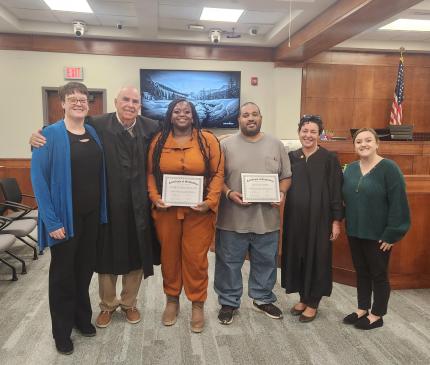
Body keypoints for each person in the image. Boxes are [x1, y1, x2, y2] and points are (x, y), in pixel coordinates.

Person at [30, 86, 160, 328]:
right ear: (116, 101)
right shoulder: (98, 124)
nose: (130, 105)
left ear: (140, 105)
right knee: (106, 255)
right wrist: (36, 136)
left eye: (135, 101)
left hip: (138, 205)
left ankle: (129, 303)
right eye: (125, 100)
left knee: (136, 254)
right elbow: (64, 128)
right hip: (107, 204)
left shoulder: (151, 127)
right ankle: (108, 305)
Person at [31, 82, 108, 355]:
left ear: (88, 104)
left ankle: (80, 318)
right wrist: (52, 223)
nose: (78, 102)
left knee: (84, 270)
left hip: (91, 218)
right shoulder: (47, 136)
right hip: (64, 219)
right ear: (61, 103)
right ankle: (61, 331)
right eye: (72, 99)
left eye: (83, 99)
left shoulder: (93, 133)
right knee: (63, 276)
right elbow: (39, 182)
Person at [147, 99, 224, 333]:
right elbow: (150, 173)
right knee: (169, 257)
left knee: (196, 259)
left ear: (193, 116)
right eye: (177, 111)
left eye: (187, 111)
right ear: (170, 115)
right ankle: (172, 300)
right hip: (167, 212)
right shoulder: (158, 141)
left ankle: (197, 303)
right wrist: (154, 197)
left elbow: (218, 172)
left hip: (198, 212)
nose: (182, 114)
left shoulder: (208, 140)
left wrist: (210, 202)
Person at [214, 102, 291, 325]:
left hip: (266, 219)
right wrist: (229, 194)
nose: (250, 118)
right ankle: (228, 302)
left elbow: (286, 176)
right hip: (232, 219)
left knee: (266, 261)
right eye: (245, 115)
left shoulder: (276, 145)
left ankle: (263, 298)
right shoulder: (225, 145)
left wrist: (282, 192)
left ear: (261, 117)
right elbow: (216, 180)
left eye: (254, 114)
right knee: (228, 263)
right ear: (238, 119)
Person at [342, 128, 410, 330]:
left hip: (379, 235)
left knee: (378, 274)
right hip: (355, 231)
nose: (363, 144)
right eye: (359, 141)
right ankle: (362, 308)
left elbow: (398, 204)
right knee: (361, 271)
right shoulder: (351, 169)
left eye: (368, 140)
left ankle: (377, 314)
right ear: (354, 146)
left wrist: (393, 233)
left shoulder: (389, 168)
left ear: (377, 143)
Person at [281, 115, 343, 322]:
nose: (308, 135)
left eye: (313, 132)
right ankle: (303, 297)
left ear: (319, 134)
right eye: (304, 131)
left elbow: (336, 191)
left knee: (317, 258)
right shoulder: (292, 157)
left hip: (320, 219)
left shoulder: (329, 158)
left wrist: (336, 221)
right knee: (298, 255)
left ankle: (313, 301)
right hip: (295, 218)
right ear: (299, 132)